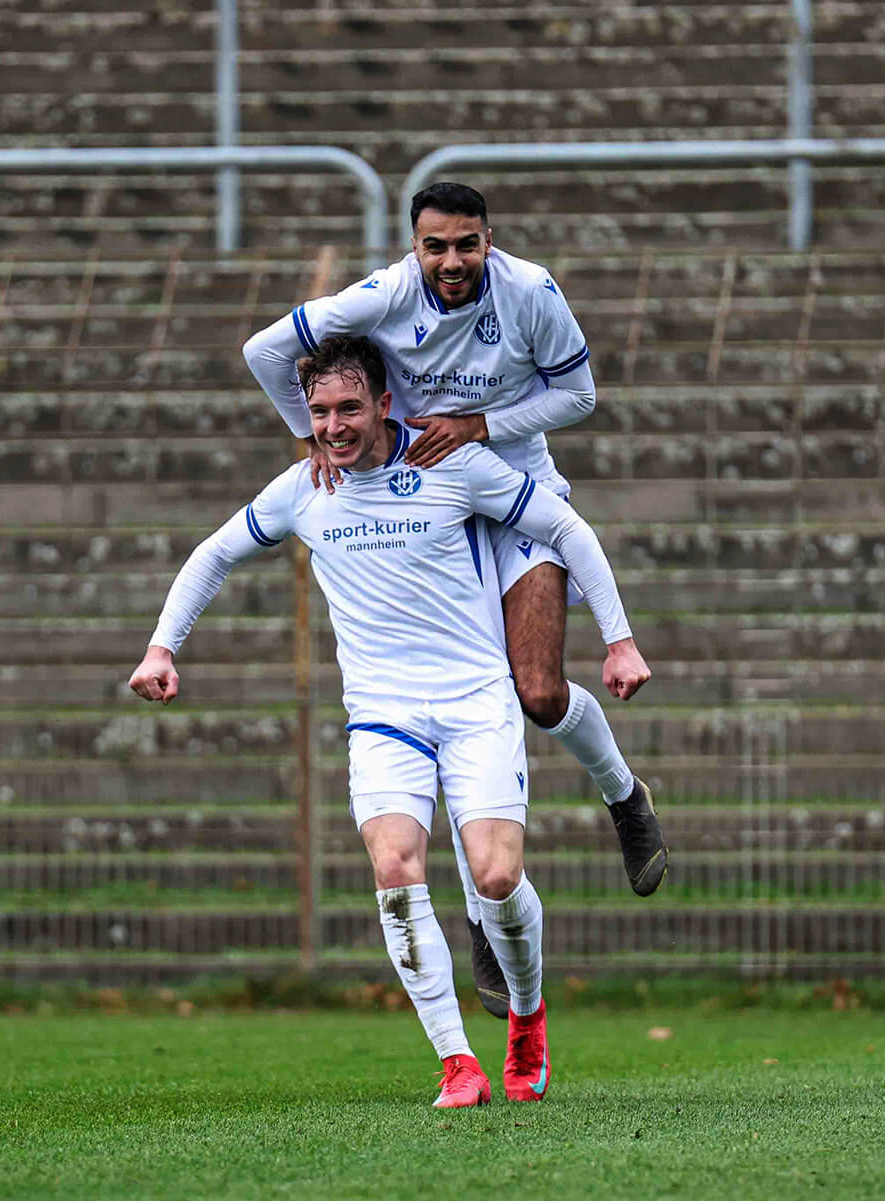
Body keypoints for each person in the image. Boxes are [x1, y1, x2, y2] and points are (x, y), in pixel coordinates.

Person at [129, 336, 650, 1107]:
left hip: (477, 703)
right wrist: (162, 647)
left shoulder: (454, 467)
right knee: (395, 865)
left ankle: (528, 1018)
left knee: (497, 875)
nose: (333, 427)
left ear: (382, 403)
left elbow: (567, 529)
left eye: (348, 408)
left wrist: (620, 637)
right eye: (319, 413)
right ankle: (456, 1061)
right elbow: (214, 553)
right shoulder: (304, 489)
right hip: (383, 718)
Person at [242, 181, 667, 1017]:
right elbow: (264, 351)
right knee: (476, 702)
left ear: (488, 242)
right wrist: (310, 440)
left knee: (539, 693)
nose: (451, 262)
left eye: (466, 245)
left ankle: (625, 795)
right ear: (414, 248)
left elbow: (579, 395)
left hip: (510, 487)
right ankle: (484, 912)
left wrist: (481, 425)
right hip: (427, 505)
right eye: (435, 247)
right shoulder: (383, 296)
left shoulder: (532, 292)